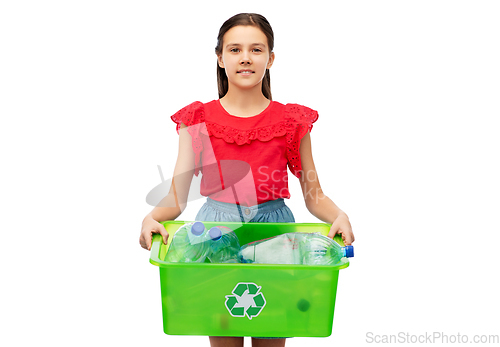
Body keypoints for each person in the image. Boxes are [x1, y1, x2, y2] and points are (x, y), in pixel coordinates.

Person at [139, 13, 355, 347]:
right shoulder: (197, 119)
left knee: (271, 327)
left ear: (270, 59)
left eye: (256, 50)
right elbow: (176, 196)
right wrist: (152, 217)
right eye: (235, 49)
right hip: (214, 237)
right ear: (220, 58)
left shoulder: (291, 121)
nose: (245, 57)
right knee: (224, 325)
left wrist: (338, 215)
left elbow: (314, 195)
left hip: (274, 238)